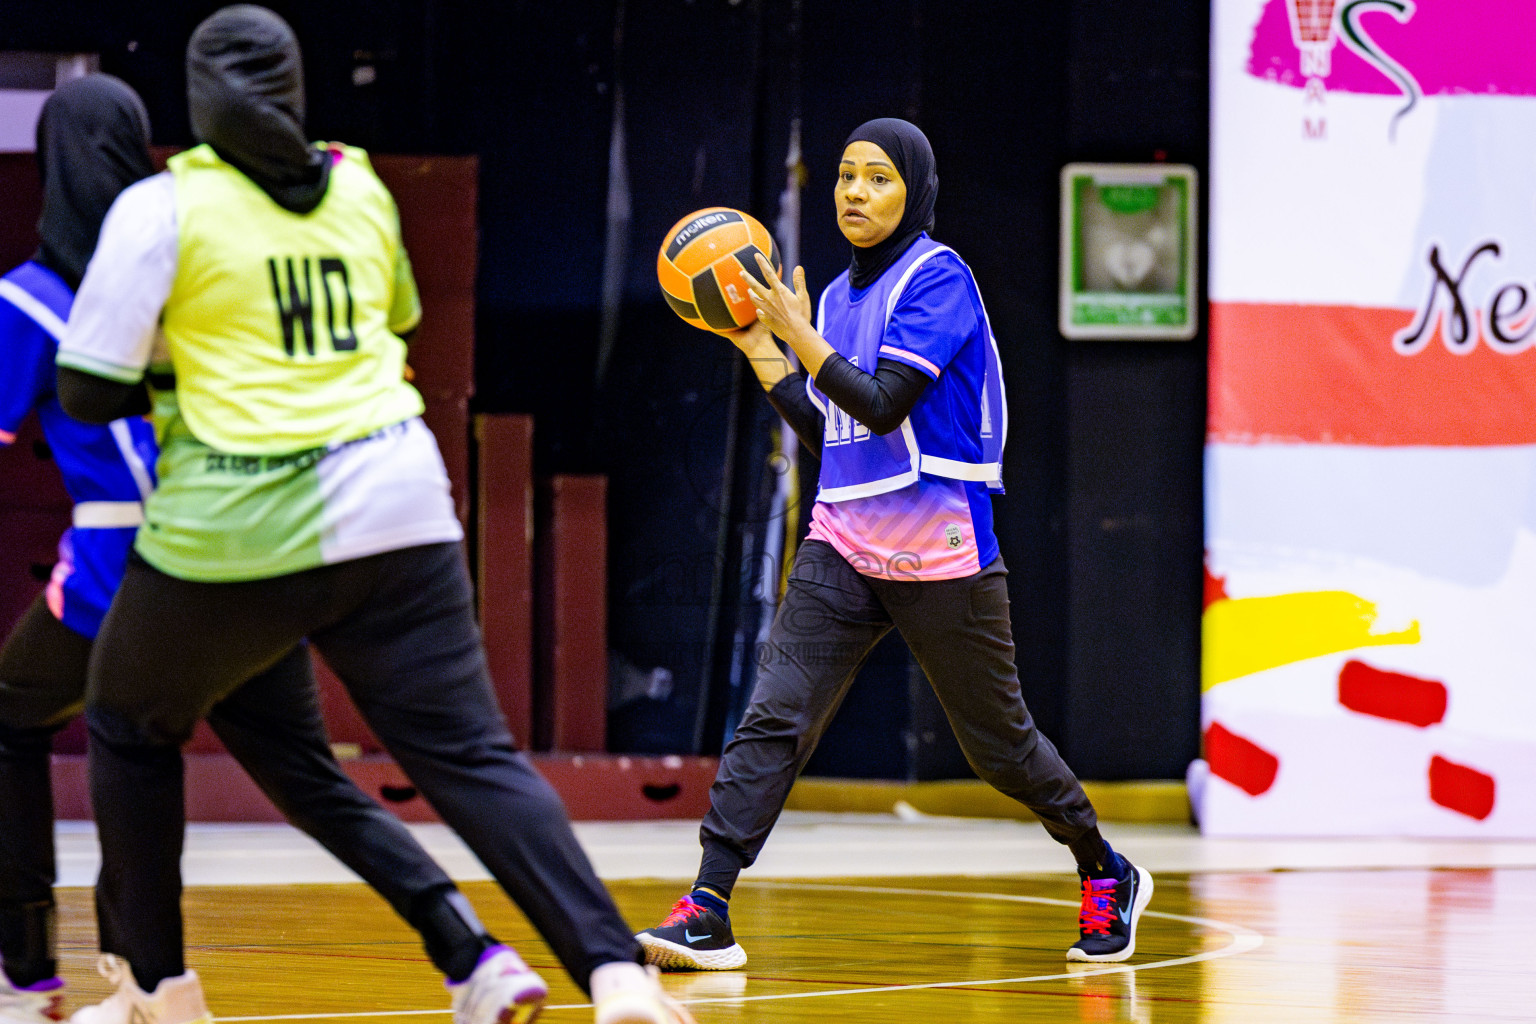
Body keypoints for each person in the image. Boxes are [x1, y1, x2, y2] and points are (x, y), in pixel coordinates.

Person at [52, 9, 693, 1024]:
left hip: (238, 522)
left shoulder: (166, 205)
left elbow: (86, 392)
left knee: (129, 724)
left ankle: (161, 990)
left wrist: (186, 354)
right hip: (397, 507)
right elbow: (391, 322)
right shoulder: (359, 186)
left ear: (201, 100)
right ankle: (616, 974)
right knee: (475, 756)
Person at [0, 73, 550, 1024]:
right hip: (242, 557)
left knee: (27, 723)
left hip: (128, 566)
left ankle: (35, 970)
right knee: (307, 779)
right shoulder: (182, 261)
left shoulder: (33, 298)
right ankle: (471, 951)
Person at [636, 118, 1152, 970]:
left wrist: (799, 340)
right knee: (774, 717)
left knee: (1001, 748)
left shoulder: (938, 279)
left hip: (941, 547)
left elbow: (883, 404)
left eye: (876, 178)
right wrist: (763, 348)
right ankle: (710, 904)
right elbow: (833, 430)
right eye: (844, 176)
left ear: (913, 189)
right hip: (843, 541)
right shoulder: (833, 299)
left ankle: (1104, 866)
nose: (854, 192)